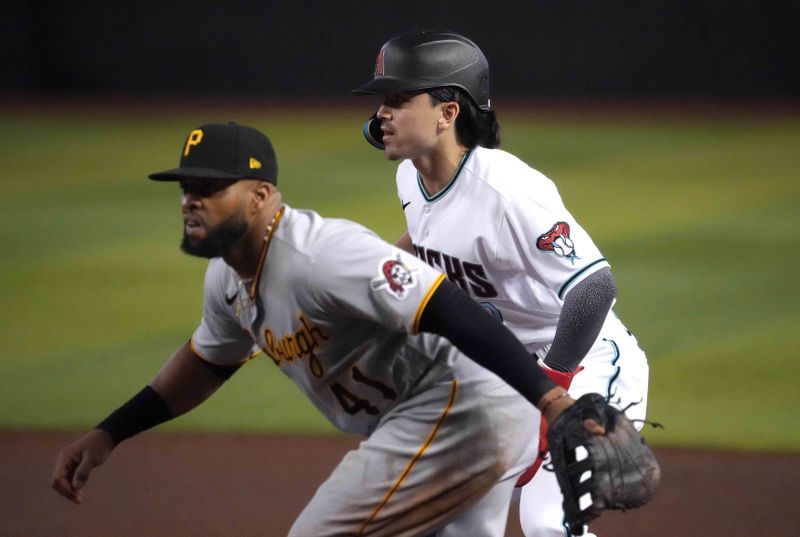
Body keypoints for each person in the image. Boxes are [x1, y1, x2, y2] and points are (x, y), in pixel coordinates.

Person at [51, 122, 606, 537]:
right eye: (186, 188)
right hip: (448, 417)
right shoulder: (227, 276)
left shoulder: (324, 255)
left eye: (210, 188)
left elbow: (447, 305)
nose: (191, 200)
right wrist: (108, 434)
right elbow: (207, 362)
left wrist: (551, 401)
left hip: (460, 409)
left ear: (262, 196)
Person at [353, 31, 650, 537]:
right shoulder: (410, 174)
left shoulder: (508, 189)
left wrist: (549, 393)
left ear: (448, 113)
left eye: (399, 99)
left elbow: (594, 286)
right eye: (383, 100)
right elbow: (426, 233)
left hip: (583, 363)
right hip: (508, 371)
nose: (383, 112)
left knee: (547, 523)